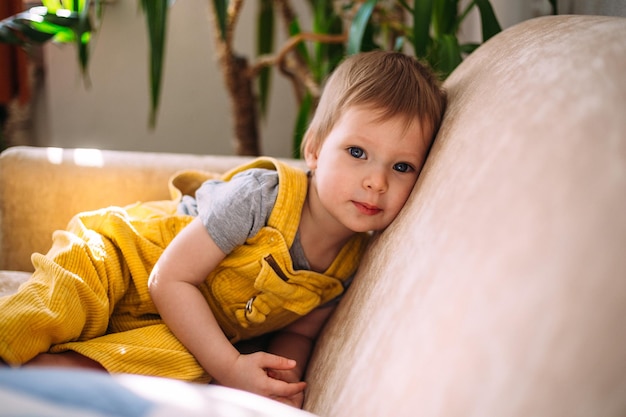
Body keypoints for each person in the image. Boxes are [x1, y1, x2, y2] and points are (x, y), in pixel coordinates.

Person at [0, 50, 446, 408]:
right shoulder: (264, 196)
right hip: (130, 259)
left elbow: (300, 332)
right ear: (314, 151)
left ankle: (42, 386)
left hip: (187, 322)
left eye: (402, 166)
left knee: (181, 364)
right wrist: (231, 366)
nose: (377, 180)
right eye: (357, 152)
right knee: (62, 298)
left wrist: (279, 385)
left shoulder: (349, 265)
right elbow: (169, 277)